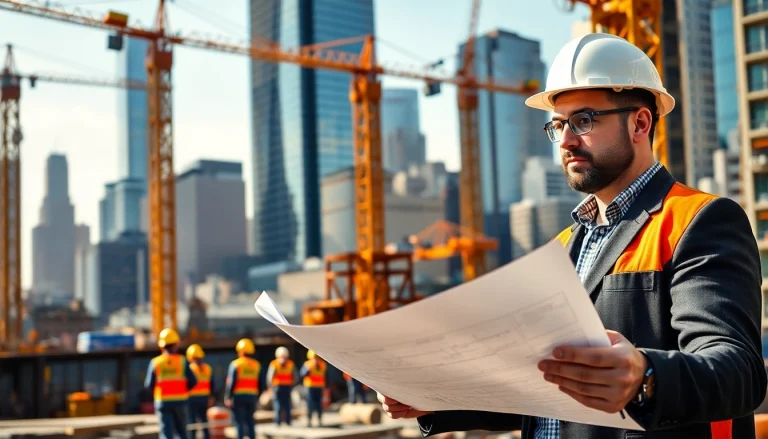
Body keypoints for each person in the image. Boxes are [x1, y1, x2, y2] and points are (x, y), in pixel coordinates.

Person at [376, 33, 767, 439]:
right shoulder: (563, 247)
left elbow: (738, 371)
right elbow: (539, 388)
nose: (565, 140)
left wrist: (645, 377)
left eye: (583, 120)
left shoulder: (698, 221)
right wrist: (436, 399)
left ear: (640, 122)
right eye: (558, 125)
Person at [144, 328, 198, 439]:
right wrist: (182, 390)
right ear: (176, 344)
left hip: (163, 402)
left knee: (166, 433)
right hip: (180, 401)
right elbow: (193, 381)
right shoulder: (182, 361)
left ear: (161, 346)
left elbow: (149, 385)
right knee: (182, 432)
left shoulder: (156, 362)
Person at [224, 338, 261, 439]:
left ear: (240, 351)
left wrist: (228, 397)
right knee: (250, 421)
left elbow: (231, 382)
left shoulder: (236, 364)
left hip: (239, 397)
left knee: (239, 421)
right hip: (252, 396)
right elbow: (260, 382)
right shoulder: (256, 365)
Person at [186, 344, 213, 439]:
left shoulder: (190, 368)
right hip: (204, 398)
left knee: (192, 422)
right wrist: (211, 397)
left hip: (192, 398)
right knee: (204, 422)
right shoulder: (207, 368)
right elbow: (212, 384)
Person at [267, 346, 298, 426]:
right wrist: (292, 385)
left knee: (278, 404)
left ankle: (278, 422)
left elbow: (270, 377)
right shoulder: (290, 364)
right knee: (287, 405)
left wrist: (270, 387)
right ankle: (288, 422)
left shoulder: (274, 364)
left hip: (278, 387)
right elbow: (296, 377)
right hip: (287, 387)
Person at [300, 350, 327, 427]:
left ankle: (319, 420)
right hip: (310, 387)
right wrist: (309, 368)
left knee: (319, 404)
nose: (316, 359)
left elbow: (325, 376)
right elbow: (302, 374)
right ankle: (309, 420)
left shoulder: (323, 365)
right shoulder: (307, 365)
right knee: (310, 404)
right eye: (314, 358)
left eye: (317, 358)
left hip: (319, 387)